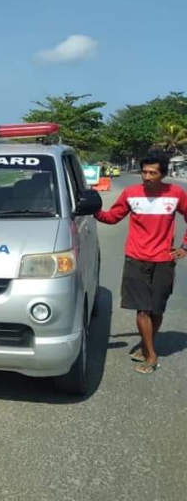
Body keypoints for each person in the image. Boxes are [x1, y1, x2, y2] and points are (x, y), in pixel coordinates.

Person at [94, 154, 187, 374]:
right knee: (142, 309)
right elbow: (112, 217)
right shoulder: (130, 194)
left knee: (157, 309)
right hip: (135, 258)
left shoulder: (175, 194)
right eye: (144, 172)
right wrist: (93, 210)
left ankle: (147, 346)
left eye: (152, 172)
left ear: (163, 174)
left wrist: (184, 246)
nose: (147, 176)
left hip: (164, 260)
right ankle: (151, 356)